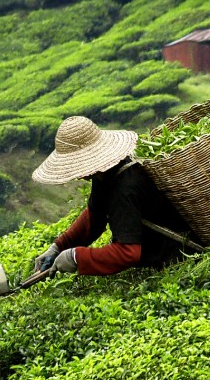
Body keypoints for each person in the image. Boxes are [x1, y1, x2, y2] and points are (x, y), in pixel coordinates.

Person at [30, 116, 194, 276]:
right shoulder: (106, 172)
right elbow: (94, 216)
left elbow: (128, 253)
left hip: (177, 254)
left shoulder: (125, 186)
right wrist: (59, 247)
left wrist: (75, 258)